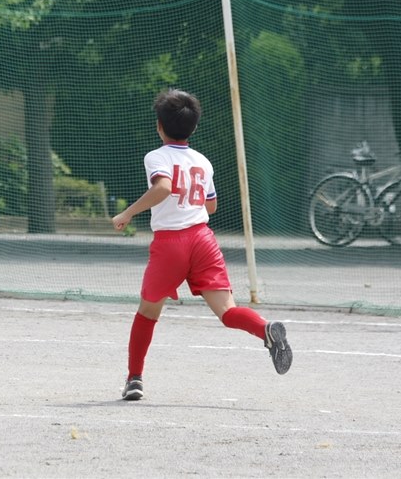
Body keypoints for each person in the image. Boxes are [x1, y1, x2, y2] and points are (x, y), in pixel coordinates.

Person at [111, 88, 291, 401]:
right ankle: (265, 329)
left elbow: (164, 187)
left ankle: (135, 378)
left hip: (172, 242)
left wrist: (128, 212)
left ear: (159, 125)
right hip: (203, 239)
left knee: (147, 313)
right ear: (194, 127)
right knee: (227, 312)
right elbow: (211, 207)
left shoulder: (156, 156)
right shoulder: (202, 161)